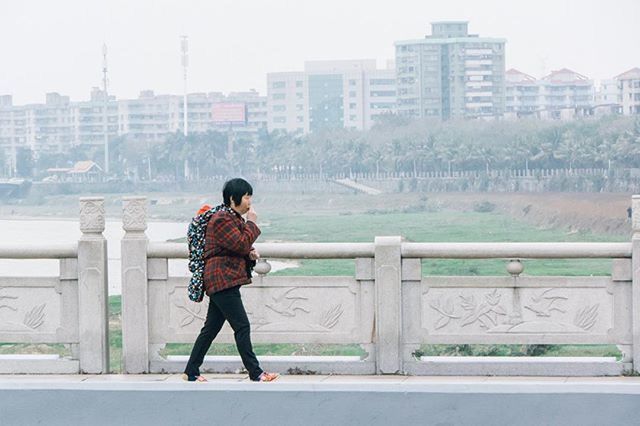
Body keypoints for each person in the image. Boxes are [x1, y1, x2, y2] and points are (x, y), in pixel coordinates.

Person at [183, 178, 278, 382]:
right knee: (242, 326)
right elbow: (241, 243)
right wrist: (252, 223)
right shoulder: (222, 219)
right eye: (246, 196)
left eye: (250, 196)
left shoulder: (230, 218)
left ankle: (191, 371)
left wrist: (248, 253)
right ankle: (256, 373)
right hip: (221, 279)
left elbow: (235, 247)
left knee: (210, 328)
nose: (249, 201)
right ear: (233, 199)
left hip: (223, 279)